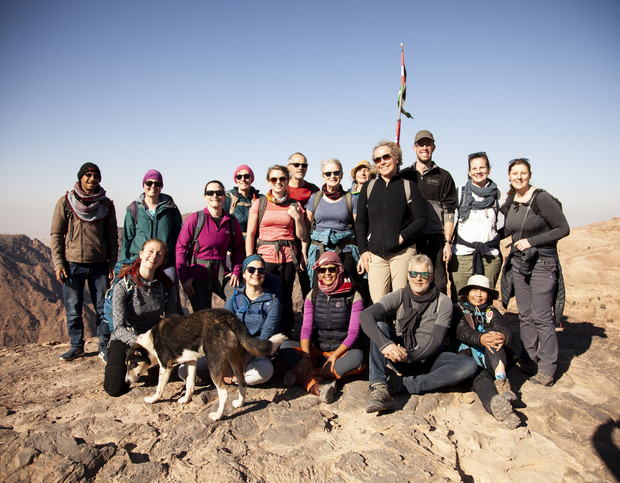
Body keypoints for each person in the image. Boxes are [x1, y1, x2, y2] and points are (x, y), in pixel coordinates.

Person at [360, 254, 478, 413]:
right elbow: (365, 316)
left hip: (430, 359)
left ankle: (405, 384)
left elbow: (436, 341)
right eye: (414, 274)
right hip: (399, 356)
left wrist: (409, 357)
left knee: (468, 365)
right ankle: (379, 388)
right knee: (380, 327)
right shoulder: (400, 295)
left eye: (424, 275)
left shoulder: (443, 302)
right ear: (408, 275)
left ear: (431, 277)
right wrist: (387, 345)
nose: (418, 279)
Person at [500, 158, 569, 387]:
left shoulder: (541, 198)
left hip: (542, 263)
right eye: (515, 173)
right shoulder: (512, 200)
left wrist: (531, 242)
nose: (519, 177)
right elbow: (508, 229)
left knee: (541, 316)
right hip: (520, 263)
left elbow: (563, 228)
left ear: (529, 175)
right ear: (509, 176)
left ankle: (548, 369)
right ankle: (529, 360)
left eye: (523, 173)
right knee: (525, 314)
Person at [178, 254, 282, 386]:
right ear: (244, 274)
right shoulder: (235, 298)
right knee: (183, 370)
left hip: (254, 352)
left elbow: (266, 334)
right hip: (229, 350)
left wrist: (244, 362)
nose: (256, 273)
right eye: (251, 270)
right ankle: (229, 376)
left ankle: (222, 376)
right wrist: (227, 363)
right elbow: (223, 327)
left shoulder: (272, 302)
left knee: (265, 372)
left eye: (261, 271)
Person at [50, 162, 118, 362]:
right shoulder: (66, 202)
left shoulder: (106, 204)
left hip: (99, 265)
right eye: (87, 175)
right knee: (73, 308)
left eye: (95, 175)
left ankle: (103, 345)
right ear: (80, 177)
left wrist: (112, 264)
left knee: (103, 308)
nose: (91, 179)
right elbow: (56, 234)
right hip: (72, 264)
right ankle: (76, 346)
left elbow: (112, 237)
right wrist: (59, 263)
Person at [279, 251, 365, 404]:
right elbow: (306, 328)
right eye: (322, 270)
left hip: (342, 354)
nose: (327, 273)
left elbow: (353, 333)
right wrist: (306, 356)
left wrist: (333, 357)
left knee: (359, 358)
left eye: (331, 269)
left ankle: (306, 377)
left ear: (339, 270)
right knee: (285, 346)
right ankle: (320, 381)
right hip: (318, 352)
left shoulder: (353, 296)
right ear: (318, 272)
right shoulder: (312, 295)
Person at [355, 141, 427, 304]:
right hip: (375, 256)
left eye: (386, 157)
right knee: (379, 303)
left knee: (401, 301)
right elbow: (360, 222)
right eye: (377, 159)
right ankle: (383, 331)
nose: (382, 162)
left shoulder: (409, 186)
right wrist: (363, 250)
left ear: (396, 158)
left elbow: (421, 218)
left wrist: (402, 236)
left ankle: (401, 330)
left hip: (402, 253)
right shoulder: (368, 187)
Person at [104, 239, 177, 397]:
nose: (154, 256)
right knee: (114, 388)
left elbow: (171, 321)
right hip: (127, 338)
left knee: (176, 375)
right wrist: (139, 341)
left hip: (155, 338)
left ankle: (149, 366)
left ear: (163, 260)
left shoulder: (166, 286)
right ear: (141, 254)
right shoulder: (124, 286)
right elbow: (118, 328)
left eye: (159, 254)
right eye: (150, 251)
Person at [246, 165, 307, 336]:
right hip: (264, 257)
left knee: (285, 296)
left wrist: (297, 218)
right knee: (264, 295)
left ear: (287, 181)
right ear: (268, 182)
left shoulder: (295, 205)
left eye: (282, 179)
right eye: (274, 179)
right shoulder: (260, 203)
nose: (278, 182)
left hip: (288, 257)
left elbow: (302, 235)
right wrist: (249, 260)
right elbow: (250, 233)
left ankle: (285, 335)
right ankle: (263, 334)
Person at [455, 275, 520, 429]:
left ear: (488, 295)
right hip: (469, 360)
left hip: (492, 359)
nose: (478, 295)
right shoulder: (458, 309)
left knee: (494, 339)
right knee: (482, 383)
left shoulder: (492, 311)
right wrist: (481, 338)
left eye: (483, 291)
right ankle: (503, 412)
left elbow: (504, 329)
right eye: (475, 290)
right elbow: (461, 331)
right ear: (467, 292)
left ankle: (502, 383)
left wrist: (502, 336)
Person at [400, 130, 458, 294]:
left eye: (428, 144)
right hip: (410, 239)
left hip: (435, 238)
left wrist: (448, 242)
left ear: (433, 147)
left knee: (438, 283)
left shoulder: (444, 176)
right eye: (420, 144)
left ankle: (438, 317)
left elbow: (449, 212)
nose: (424, 147)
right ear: (414, 147)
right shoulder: (404, 175)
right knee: (410, 283)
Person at [175, 180, 245, 312]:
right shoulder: (195, 219)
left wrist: (236, 272)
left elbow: (238, 249)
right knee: (204, 317)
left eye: (219, 193)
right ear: (205, 196)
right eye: (210, 193)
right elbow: (180, 249)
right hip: (197, 276)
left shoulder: (231, 222)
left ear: (224, 197)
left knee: (241, 303)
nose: (214, 196)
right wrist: (184, 278)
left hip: (222, 274)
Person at [448, 152, 505, 300]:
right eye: (474, 168)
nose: (478, 171)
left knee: (485, 301)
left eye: (482, 167)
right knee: (460, 300)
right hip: (461, 255)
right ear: (469, 172)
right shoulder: (459, 193)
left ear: (489, 169)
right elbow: (446, 216)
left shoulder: (498, 195)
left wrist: (497, 237)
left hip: (490, 256)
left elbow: (514, 220)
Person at [121, 169, 183, 283]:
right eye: (149, 183)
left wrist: (180, 262)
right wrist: (123, 264)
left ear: (161, 186)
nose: (153, 186)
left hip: (166, 263)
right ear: (143, 185)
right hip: (139, 263)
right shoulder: (133, 209)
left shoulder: (171, 208)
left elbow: (179, 237)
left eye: (157, 183)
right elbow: (127, 240)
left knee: (169, 297)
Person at [306, 158, 359, 287]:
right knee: (319, 290)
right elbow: (307, 228)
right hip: (319, 251)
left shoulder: (350, 199)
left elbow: (358, 228)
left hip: (345, 252)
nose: (332, 176)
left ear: (341, 175)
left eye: (336, 172)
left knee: (346, 289)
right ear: (323, 176)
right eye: (328, 173)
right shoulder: (315, 198)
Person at [287, 152, 320, 298]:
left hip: (309, 241)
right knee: (285, 284)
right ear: (289, 167)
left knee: (308, 283)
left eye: (304, 165)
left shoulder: (314, 190)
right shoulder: (283, 189)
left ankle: (309, 316)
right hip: (287, 242)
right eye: (296, 164)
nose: (301, 167)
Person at [222, 164, 261, 237]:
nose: (242, 179)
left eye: (246, 176)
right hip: (233, 245)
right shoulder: (227, 198)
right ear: (236, 180)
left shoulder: (260, 199)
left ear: (251, 178)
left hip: (255, 244)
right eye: (239, 177)